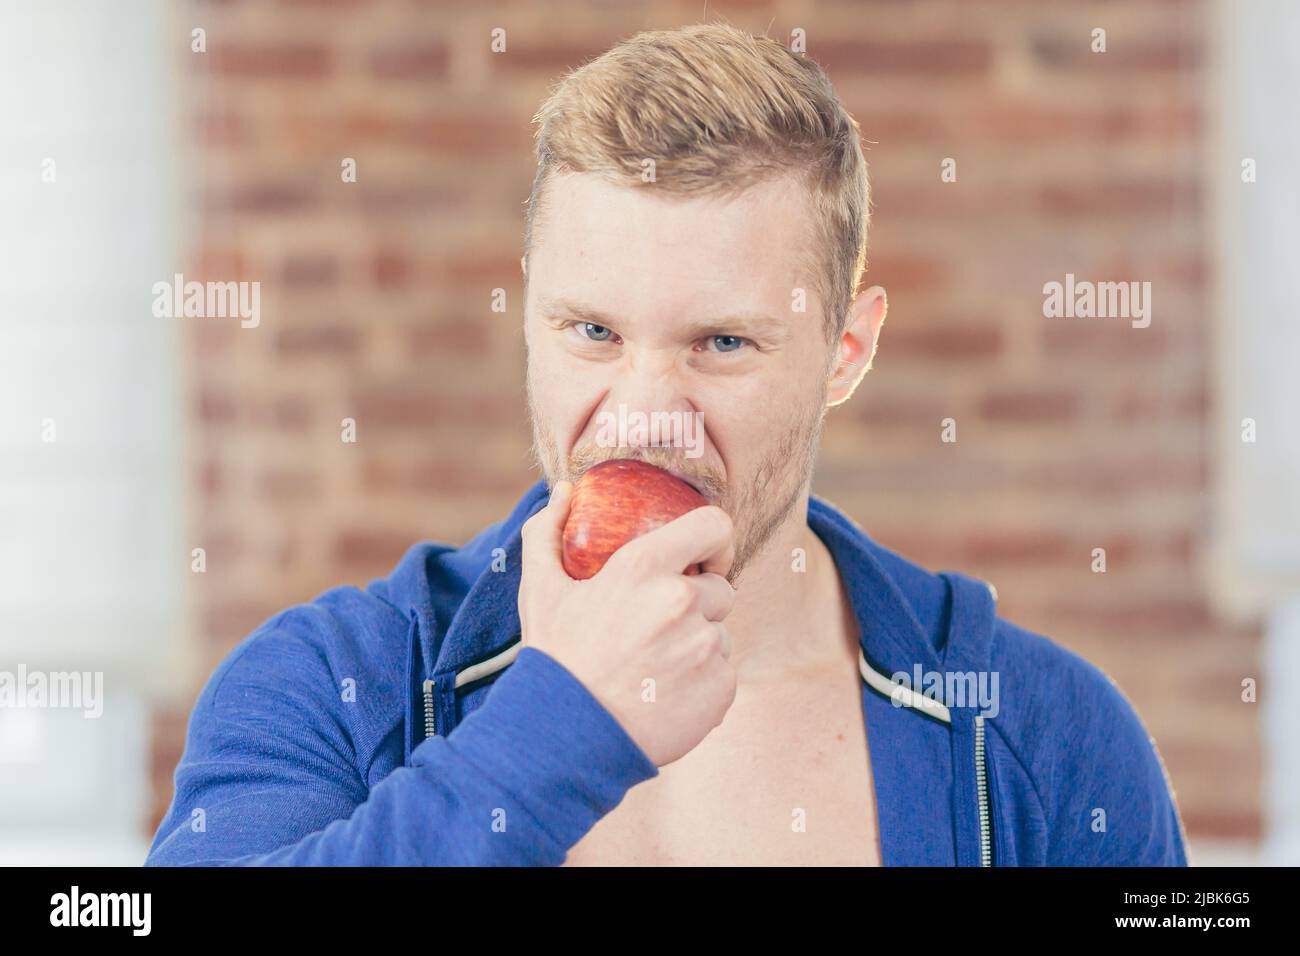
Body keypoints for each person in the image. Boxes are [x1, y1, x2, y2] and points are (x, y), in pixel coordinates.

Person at [146, 23, 1188, 866]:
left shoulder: (1046, 740)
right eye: (591, 331)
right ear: (527, 321)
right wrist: (560, 725)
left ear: (846, 349)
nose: (644, 411)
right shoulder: (334, 683)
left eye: (722, 342)